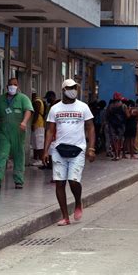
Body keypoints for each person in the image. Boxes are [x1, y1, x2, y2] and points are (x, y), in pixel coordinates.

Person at [42, 79, 96, 226]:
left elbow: (90, 127)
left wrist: (91, 148)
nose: (73, 90)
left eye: (75, 88)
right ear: (64, 90)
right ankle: (65, 216)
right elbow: (50, 130)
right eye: (70, 88)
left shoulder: (83, 107)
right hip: (59, 149)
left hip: (78, 149)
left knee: (73, 181)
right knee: (59, 183)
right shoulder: (55, 109)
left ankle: (78, 202)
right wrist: (45, 150)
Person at [0, 78, 33, 189]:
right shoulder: (0, 100)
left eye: (15, 84)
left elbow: (28, 110)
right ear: (6, 86)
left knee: (18, 155)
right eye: (10, 84)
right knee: (1, 155)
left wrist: (24, 122)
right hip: (3, 131)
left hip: (18, 131)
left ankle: (19, 180)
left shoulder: (23, 98)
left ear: (18, 86)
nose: (13, 86)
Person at [106, 92, 129, 160]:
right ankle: (119, 154)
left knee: (113, 140)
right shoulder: (123, 106)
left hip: (112, 125)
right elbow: (128, 116)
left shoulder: (110, 106)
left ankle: (116, 155)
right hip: (121, 124)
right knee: (120, 139)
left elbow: (107, 115)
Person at [30, 90, 46, 167]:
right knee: (36, 143)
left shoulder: (37, 102)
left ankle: (40, 159)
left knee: (39, 143)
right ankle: (36, 159)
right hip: (39, 123)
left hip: (38, 124)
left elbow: (36, 113)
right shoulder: (38, 100)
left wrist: (33, 123)